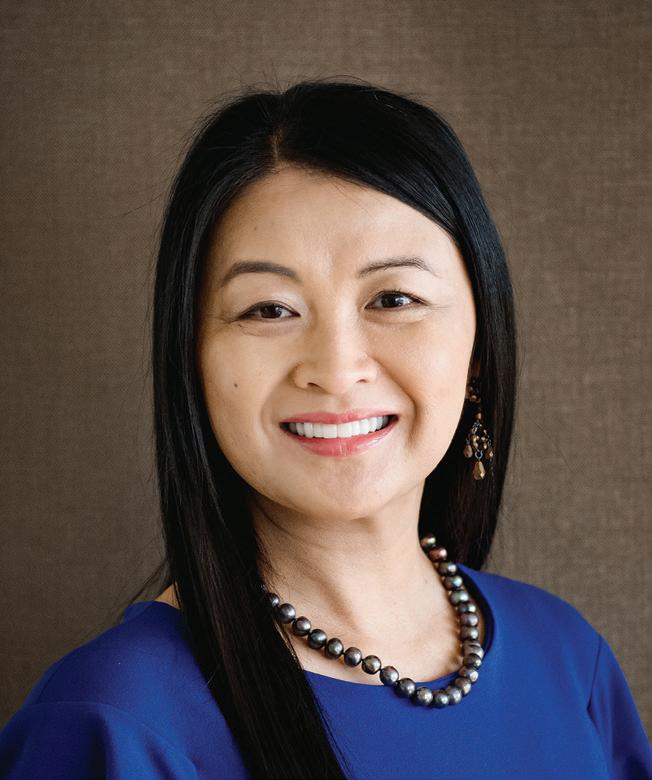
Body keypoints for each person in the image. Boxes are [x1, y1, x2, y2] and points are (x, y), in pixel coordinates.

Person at [0, 79, 649, 780]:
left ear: (479, 345)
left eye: (393, 298)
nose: (337, 371)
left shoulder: (568, 659)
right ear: (191, 358)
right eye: (268, 310)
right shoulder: (111, 723)